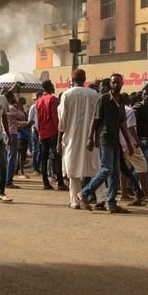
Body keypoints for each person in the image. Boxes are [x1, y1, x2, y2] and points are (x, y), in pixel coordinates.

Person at [77, 74, 137, 214]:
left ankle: (111, 203)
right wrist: (90, 138)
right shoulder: (103, 99)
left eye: (118, 82)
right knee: (106, 169)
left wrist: (129, 143)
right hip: (104, 138)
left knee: (115, 173)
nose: (115, 85)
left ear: (122, 83)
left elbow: (122, 123)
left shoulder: (121, 101)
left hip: (115, 140)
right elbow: (95, 119)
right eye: (113, 82)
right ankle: (84, 193)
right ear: (110, 84)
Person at [58, 69, 101, 209]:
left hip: (72, 137)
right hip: (91, 137)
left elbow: (62, 120)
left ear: (72, 79)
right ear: (85, 79)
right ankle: (101, 197)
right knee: (96, 167)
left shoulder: (67, 94)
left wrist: (59, 140)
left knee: (72, 167)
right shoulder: (94, 94)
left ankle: (75, 201)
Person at [36, 80, 66, 190]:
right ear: (49, 87)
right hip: (53, 132)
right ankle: (60, 183)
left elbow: (38, 119)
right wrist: (60, 132)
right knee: (56, 158)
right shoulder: (53, 99)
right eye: (53, 85)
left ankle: (45, 183)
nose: (54, 87)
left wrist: (39, 133)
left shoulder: (39, 101)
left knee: (44, 158)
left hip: (43, 132)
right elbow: (55, 117)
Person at [133, 89, 148, 190]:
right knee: (141, 165)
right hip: (140, 140)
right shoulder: (138, 107)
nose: (147, 96)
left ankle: (142, 187)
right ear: (142, 96)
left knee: (147, 165)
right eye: (145, 94)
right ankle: (135, 187)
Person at [4, 90, 28, 188]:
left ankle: (5, 179)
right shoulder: (12, 108)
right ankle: (8, 181)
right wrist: (18, 106)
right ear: (10, 98)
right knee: (12, 158)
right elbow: (23, 116)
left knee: (6, 157)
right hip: (12, 134)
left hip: (4, 133)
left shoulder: (4, 107)